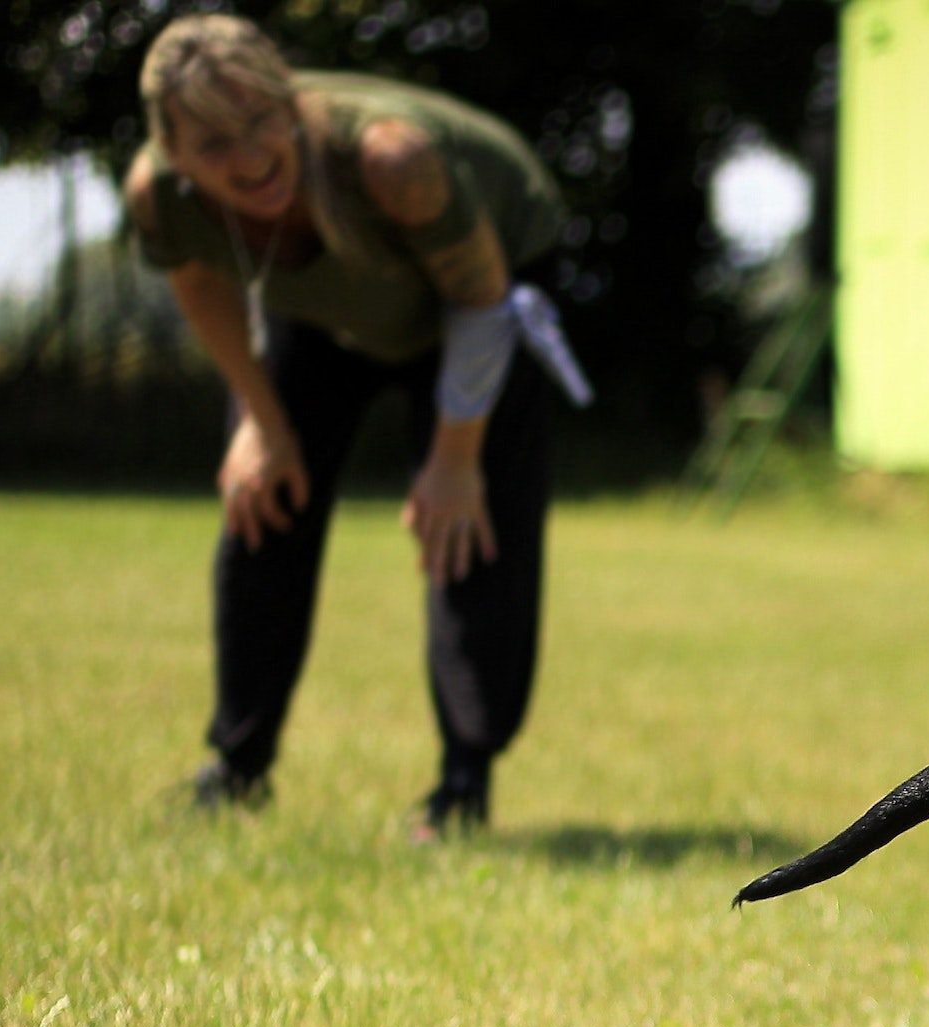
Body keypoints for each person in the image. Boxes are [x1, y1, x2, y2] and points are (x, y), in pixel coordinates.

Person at [127, 15, 589, 838]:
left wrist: (454, 459)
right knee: (261, 504)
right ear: (173, 150)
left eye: (263, 122)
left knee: (468, 529)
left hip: (480, 293)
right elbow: (199, 282)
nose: (251, 158)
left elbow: (481, 301)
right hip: (326, 309)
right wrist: (259, 422)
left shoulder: (390, 160)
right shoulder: (161, 196)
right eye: (214, 144)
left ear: (291, 102)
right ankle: (237, 766)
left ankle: (461, 785)